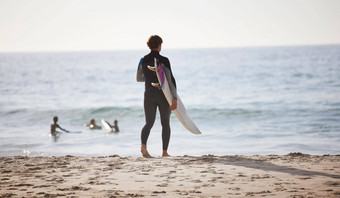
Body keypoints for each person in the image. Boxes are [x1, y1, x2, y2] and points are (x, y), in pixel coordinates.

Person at [136, 35, 177, 158]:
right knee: (165, 123)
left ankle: (143, 146)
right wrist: (174, 98)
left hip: (148, 94)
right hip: (163, 95)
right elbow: (170, 80)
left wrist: (150, 78)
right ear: (159, 45)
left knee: (148, 122)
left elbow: (138, 78)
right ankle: (164, 152)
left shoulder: (143, 60)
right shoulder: (164, 60)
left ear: (149, 46)